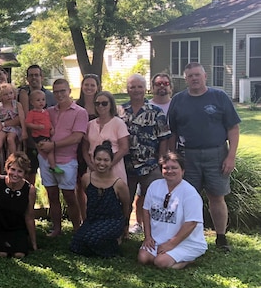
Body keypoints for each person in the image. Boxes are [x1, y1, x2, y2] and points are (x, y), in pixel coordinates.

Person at [167, 62, 241, 252]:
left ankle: (221, 237)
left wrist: (231, 157)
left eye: (197, 75)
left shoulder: (219, 97)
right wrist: (172, 157)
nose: (194, 78)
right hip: (187, 156)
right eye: (190, 76)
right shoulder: (178, 100)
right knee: (188, 197)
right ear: (185, 79)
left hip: (216, 153)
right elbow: (172, 132)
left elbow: (233, 128)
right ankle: (188, 236)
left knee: (216, 196)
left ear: (205, 76)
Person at [119, 74, 171, 234]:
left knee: (154, 201)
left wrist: (161, 161)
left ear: (145, 89)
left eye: (139, 87)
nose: (136, 90)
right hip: (126, 166)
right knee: (124, 201)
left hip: (150, 165)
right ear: (127, 89)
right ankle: (122, 232)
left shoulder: (156, 112)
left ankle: (155, 234)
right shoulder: (120, 110)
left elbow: (164, 138)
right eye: (132, 87)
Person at [37, 78, 88, 236]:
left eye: (62, 91)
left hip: (67, 160)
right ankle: (57, 229)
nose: (59, 94)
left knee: (69, 196)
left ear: (69, 91)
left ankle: (77, 229)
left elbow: (76, 137)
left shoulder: (80, 112)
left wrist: (53, 145)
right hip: (46, 159)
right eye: (56, 91)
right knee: (52, 194)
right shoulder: (49, 111)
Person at [138, 152, 207, 268]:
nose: (170, 171)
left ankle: (187, 261)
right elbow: (146, 211)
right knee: (143, 258)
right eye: (166, 168)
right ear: (161, 170)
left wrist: (171, 244)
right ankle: (167, 255)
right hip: (158, 239)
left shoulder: (190, 193)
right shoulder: (154, 186)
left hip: (185, 242)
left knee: (161, 262)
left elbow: (191, 223)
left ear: (183, 171)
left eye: (174, 168)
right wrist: (148, 237)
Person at [70, 142, 130, 257]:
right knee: (76, 244)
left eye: (106, 160)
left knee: (92, 239)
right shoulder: (87, 178)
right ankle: (103, 243)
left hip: (112, 220)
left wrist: (123, 226)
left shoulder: (119, 184)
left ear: (111, 161)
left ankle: (114, 245)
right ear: (93, 159)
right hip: (93, 219)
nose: (102, 163)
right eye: (99, 159)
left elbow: (126, 205)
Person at [0, 67, 30, 176]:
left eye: (0, 74)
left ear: (6, 74)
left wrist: (4, 124)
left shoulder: (20, 94)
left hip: (16, 137)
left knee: (17, 170)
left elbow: (24, 117)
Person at [83, 90, 129, 184]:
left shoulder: (118, 123)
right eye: (97, 103)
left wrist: (108, 165)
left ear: (111, 105)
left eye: (104, 103)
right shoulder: (90, 125)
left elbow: (124, 148)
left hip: (114, 167)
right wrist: (90, 164)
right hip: (93, 168)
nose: (100, 106)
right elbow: (85, 148)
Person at [74, 73, 102, 215]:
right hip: (79, 149)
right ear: (82, 86)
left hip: (99, 150)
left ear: (97, 87)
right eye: (86, 85)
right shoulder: (76, 106)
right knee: (80, 184)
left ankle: (96, 215)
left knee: (97, 184)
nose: (89, 87)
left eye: (92, 85)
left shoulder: (102, 106)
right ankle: (83, 216)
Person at [0, 82, 26, 175]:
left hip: (14, 127)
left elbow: (22, 118)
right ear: (1, 96)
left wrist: (24, 131)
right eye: (6, 94)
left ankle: (13, 162)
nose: (9, 96)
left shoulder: (17, 105)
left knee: (10, 139)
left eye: (11, 93)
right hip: (2, 127)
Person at [25, 90, 62, 175]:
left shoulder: (46, 112)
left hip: (47, 134)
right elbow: (27, 123)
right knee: (50, 149)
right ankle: (52, 166)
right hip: (38, 135)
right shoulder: (32, 113)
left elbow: (48, 122)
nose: (41, 102)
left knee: (47, 148)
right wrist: (37, 127)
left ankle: (36, 150)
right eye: (38, 100)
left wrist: (51, 128)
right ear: (32, 102)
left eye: (43, 100)